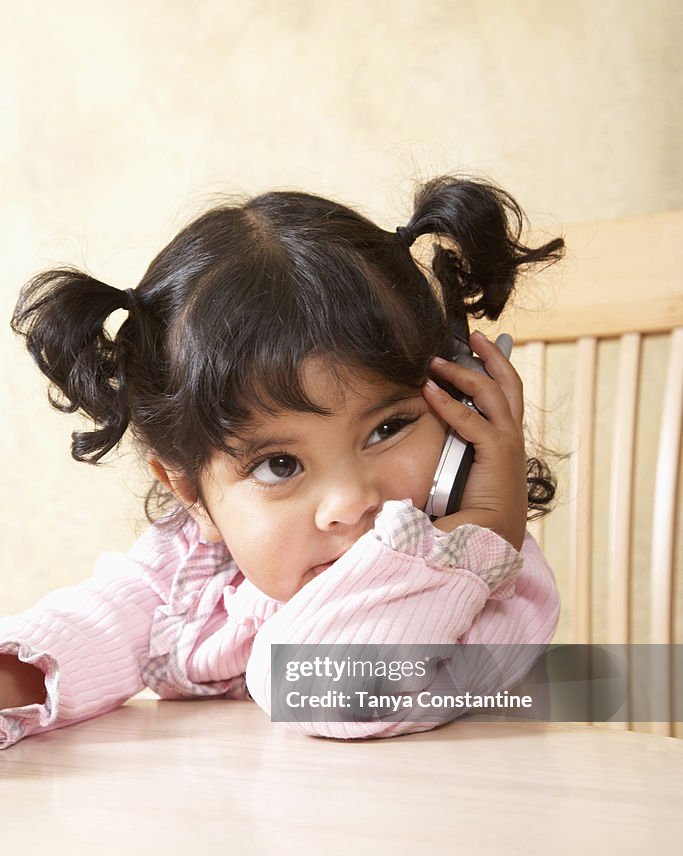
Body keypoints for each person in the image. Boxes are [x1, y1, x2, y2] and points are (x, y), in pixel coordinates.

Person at [0, 175, 563, 748]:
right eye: (280, 465)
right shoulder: (195, 574)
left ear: (462, 410)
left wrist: (480, 525)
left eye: (388, 428)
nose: (351, 501)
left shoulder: (482, 576)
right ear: (192, 494)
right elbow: (90, 627)